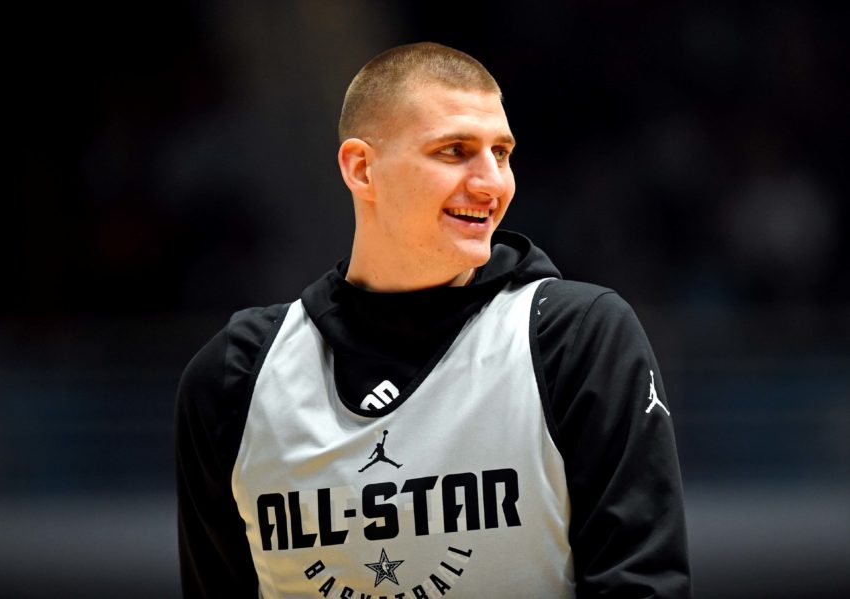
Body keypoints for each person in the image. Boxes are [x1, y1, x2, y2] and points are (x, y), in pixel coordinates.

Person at [176, 42, 691, 598]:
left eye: (502, 152)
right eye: (454, 151)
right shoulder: (234, 375)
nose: (491, 183)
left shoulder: (578, 338)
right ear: (361, 168)